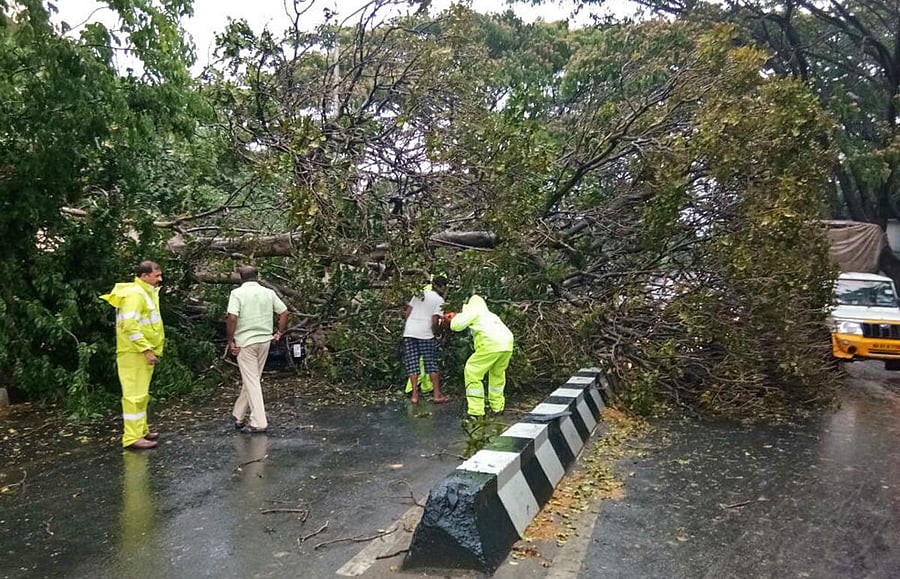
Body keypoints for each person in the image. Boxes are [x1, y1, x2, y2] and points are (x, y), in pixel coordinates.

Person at [100, 261, 165, 450]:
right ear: (144, 276)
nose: (160, 279)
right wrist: (145, 349)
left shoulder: (142, 293)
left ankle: (141, 430)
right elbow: (130, 325)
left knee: (141, 394)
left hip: (138, 352)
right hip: (135, 352)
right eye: (156, 275)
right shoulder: (136, 295)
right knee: (134, 396)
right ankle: (132, 437)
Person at [226, 265, 288, 433]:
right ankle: (238, 414)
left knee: (252, 380)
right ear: (257, 276)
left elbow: (232, 317)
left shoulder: (237, 294)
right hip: (264, 341)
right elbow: (284, 312)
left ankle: (259, 422)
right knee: (252, 378)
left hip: (245, 342)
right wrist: (279, 332)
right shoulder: (268, 293)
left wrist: (230, 340)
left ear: (241, 277)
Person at [446, 295, 514, 417]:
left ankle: (476, 411)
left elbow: (455, 326)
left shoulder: (474, 310)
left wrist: (454, 317)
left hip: (491, 343)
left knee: (472, 371)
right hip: (507, 344)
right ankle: (497, 407)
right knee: (497, 374)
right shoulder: (491, 315)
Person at [403, 276, 450, 405]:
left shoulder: (419, 294)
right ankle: (437, 395)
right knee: (431, 364)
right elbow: (435, 321)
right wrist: (437, 333)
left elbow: (408, 312)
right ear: (442, 287)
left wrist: (409, 327)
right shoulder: (439, 300)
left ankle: (414, 396)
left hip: (410, 332)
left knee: (413, 363)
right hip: (425, 334)